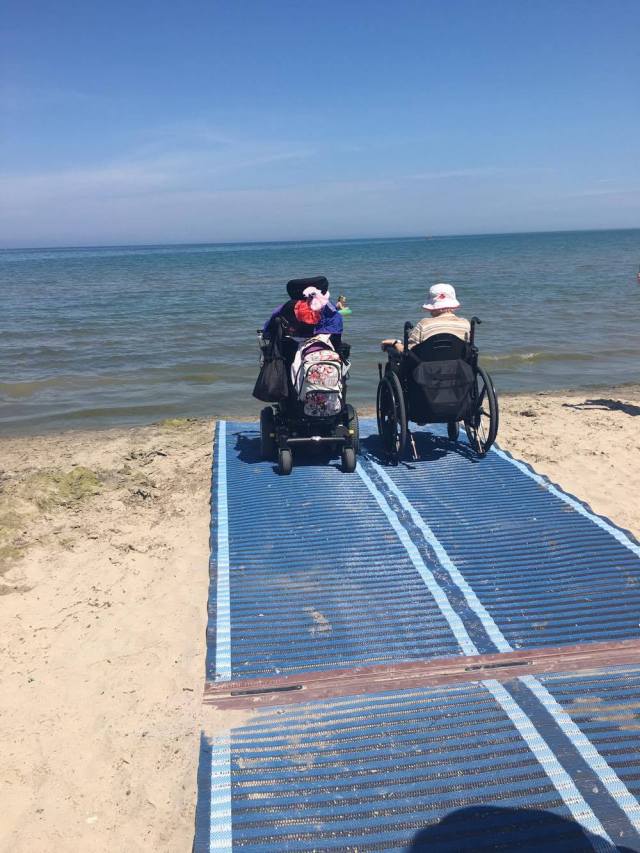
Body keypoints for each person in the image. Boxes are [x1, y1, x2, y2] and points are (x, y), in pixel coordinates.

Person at [381, 283, 470, 353]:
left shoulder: (424, 324)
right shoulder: (465, 324)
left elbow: (408, 352)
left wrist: (396, 343)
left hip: (427, 372)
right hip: (459, 370)